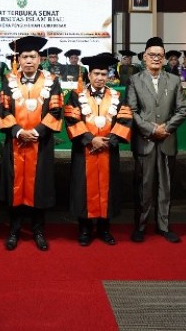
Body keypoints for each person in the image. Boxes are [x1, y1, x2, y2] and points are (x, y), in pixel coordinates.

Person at [0, 35, 63, 251]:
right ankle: (14, 229)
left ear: (39, 59)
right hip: (15, 143)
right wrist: (18, 131)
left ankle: (38, 230)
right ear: (18, 59)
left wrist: (36, 132)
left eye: (32, 57)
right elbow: (3, 110)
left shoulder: (52, 82)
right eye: (24, 56)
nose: (28, 61)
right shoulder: (8, 81)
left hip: (40, 144)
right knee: (15, 186)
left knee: (39, 187)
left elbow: (56, 111)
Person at [64, 53, 132, 246]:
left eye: (103, 74)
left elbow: (125, 119)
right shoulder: (76, 96)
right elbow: (71, 119)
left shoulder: (117, 96)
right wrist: (90, 139)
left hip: (108, 151)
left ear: (108, 75)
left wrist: (108, 141)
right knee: (83, 189)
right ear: (89, 75)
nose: (100, 77)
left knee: (107, 189)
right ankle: (85, 229)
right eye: (96, 73)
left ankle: (104, 228)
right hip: (84, 150)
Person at [127, 37, 186, 244]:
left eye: (159, 56)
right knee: (143, 186)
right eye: (152, 55)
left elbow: (183, 110)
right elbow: (131, 111)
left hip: (167, 140)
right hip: (145, 140)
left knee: (166, 186)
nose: (156, 58)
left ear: (164, 59)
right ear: (144, 57)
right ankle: (140, 226)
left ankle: (164, 226)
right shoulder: (135, 80)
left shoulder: (174, 80)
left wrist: (166, 128)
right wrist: (152, 129)